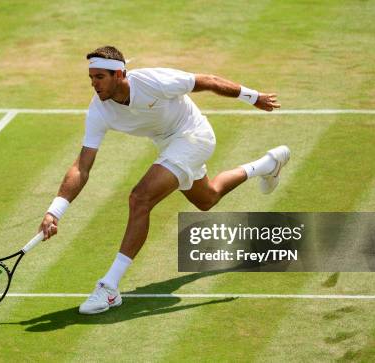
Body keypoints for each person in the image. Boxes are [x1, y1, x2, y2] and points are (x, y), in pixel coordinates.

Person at [38, 46, 289, 314]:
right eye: (91, 77)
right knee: (208, 198)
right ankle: (267, 164)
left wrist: (253, 97)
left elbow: (209, 81)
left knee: (140, 198)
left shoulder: (152, 81)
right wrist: (55, 210)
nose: (94, 84)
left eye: (100, 77)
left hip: (194, 135)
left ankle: (109, 287)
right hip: (168, 145)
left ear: (120, 74)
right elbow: (82, 166)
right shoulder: (99, 110)